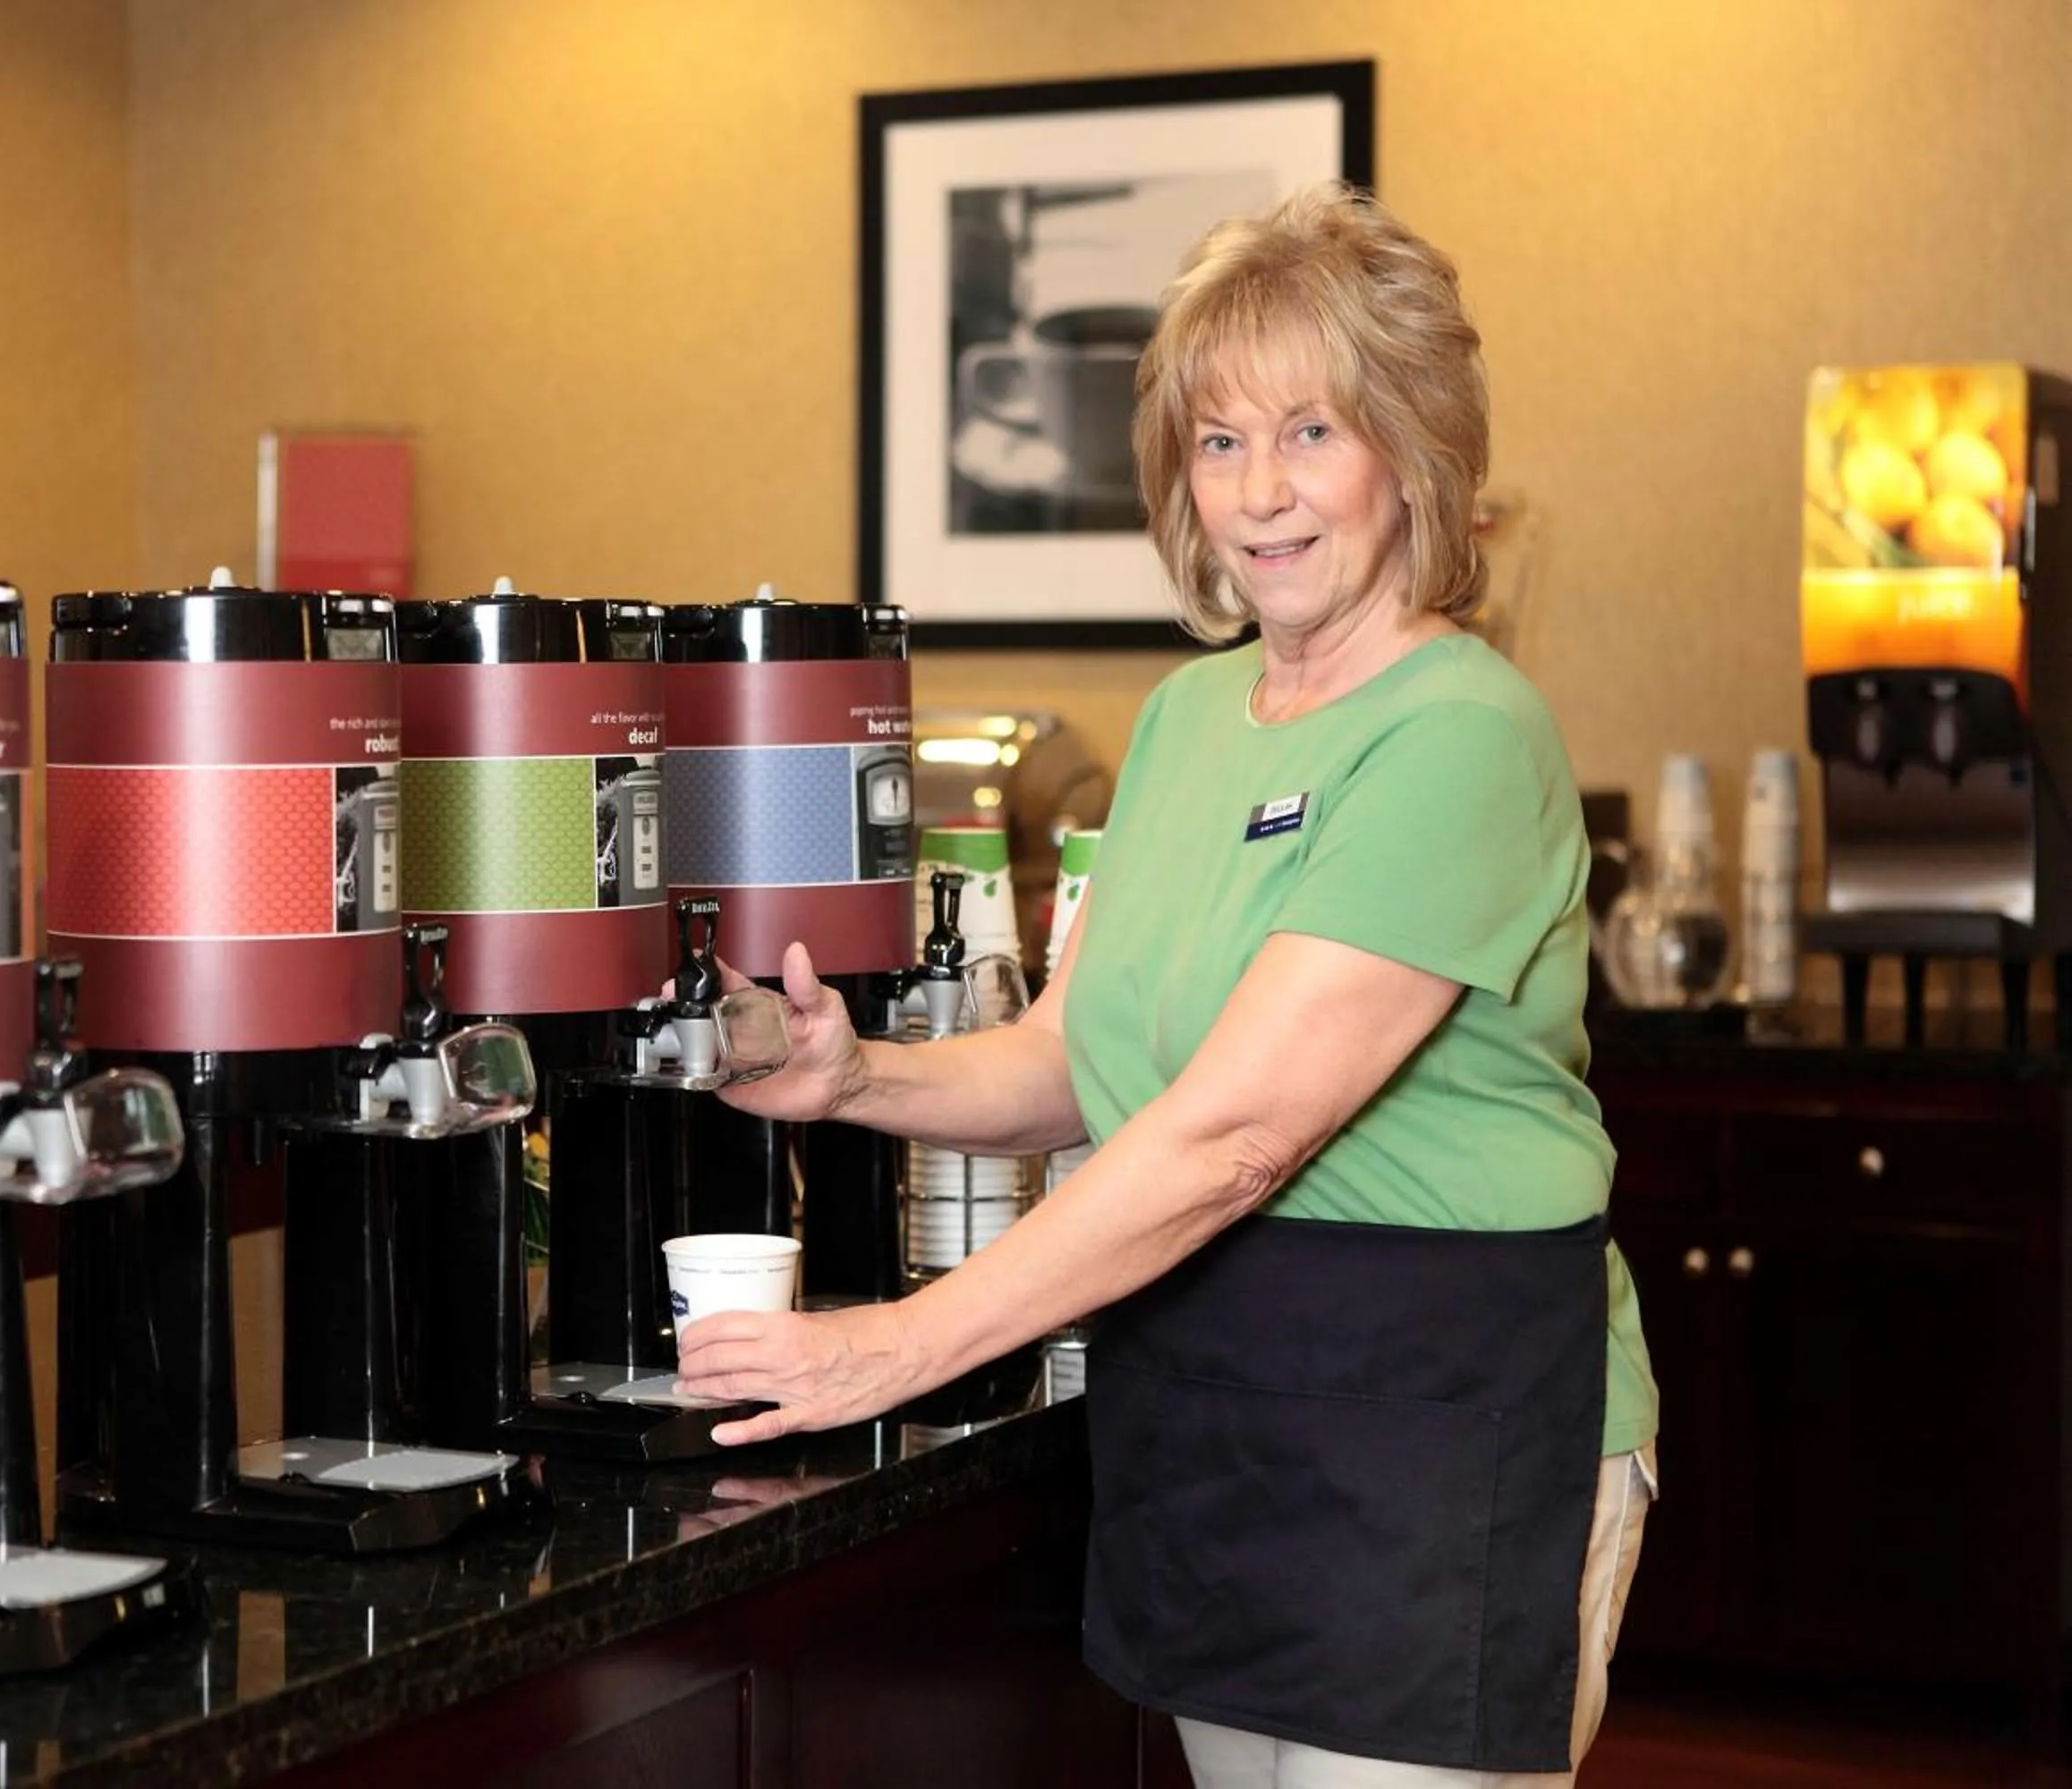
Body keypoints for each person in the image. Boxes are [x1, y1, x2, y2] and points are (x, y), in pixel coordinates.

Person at [676, 182, 1659, 1787]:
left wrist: (895, 1347)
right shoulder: (1196, 722)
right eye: (1218, 443)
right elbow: (1081, 1057)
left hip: (1443, 1435)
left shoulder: (1464, 735)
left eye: (1310, 433)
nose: (1261, 492)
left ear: (1410, 452)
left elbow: (1236, 1135)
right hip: (1218, 1414)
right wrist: (861, 1083)